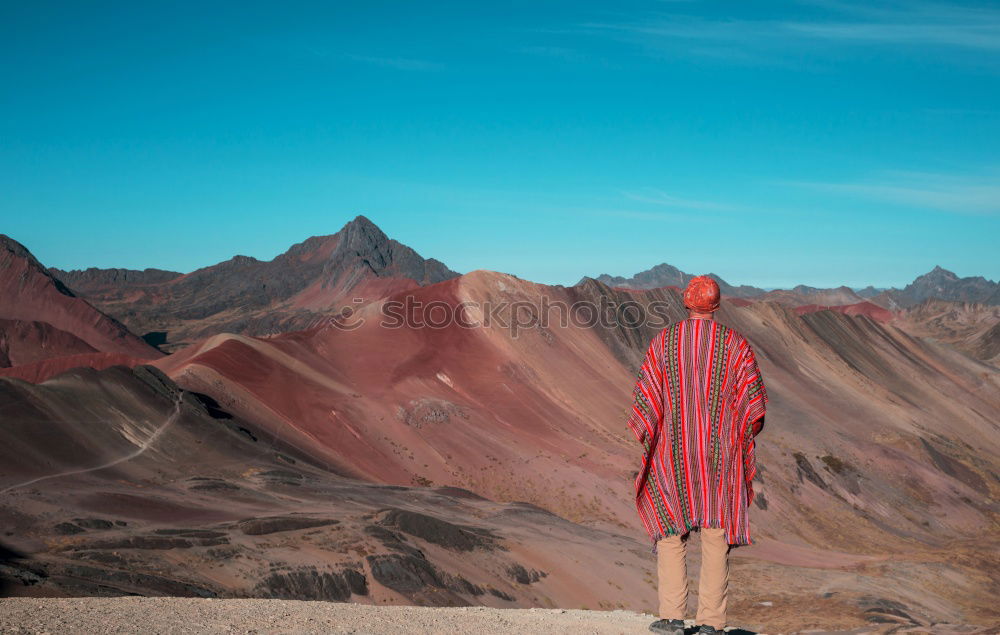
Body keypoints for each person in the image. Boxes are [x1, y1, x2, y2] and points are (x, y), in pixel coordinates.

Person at [625, 275, 768, 635]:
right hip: (720, 453)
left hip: (673, 452)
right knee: (716, 531)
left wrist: (652, 433)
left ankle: (672, 616)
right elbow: (754, 406)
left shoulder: (665, 342)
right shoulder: (734, 345)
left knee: (671, 530)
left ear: (687, 303)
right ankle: (710, 623)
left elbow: (645, 400)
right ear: (716, 306)